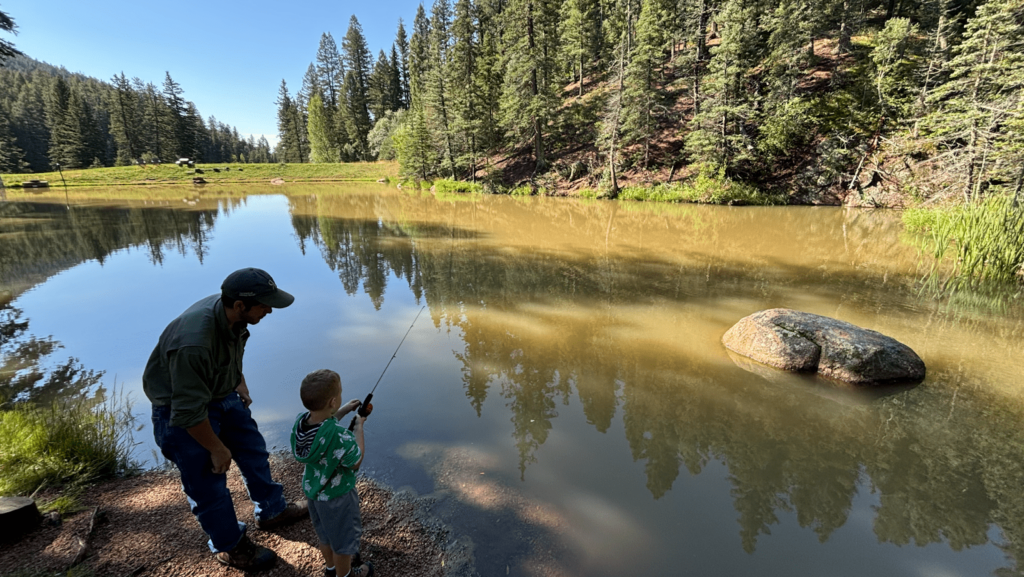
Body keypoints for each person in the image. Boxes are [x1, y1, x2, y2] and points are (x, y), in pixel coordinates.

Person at [143, 267, 308, 571]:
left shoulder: (234, 314)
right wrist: (217, 448)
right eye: (263, 304)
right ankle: (230, 546)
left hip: (220, 391)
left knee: (253, 448)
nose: (269, 309)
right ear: (240, 306)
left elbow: (231, 348)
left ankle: (273, 511)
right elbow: (188, 411)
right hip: (179, 410)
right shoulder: (193, 341)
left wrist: (237, 380)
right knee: (207, 481)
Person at [290, 369, 374, 577]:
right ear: (332, 401)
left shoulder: (302, 424)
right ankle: (345, 575)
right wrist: (359, 428)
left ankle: (331, 569)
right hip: (338, 498)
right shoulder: (338, 435)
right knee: (344, 544)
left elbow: (323, 424)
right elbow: (355, 461)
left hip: (314, 494)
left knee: (325, 535)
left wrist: (343, 411)